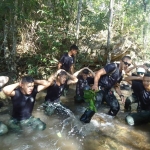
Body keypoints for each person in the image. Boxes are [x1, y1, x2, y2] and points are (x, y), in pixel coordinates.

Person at [80, 56, 132, 123]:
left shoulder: (121, 74)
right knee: (94, 106)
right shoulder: (113, 66)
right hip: (99, 88)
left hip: (107, 91)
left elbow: (116, 86)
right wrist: (95, 84)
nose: (126, 65)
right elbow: (98, 73)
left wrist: (121, 95)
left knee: (116, 107)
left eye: (129, 64)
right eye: (125, 63)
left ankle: (107, 121)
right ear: (121, 61)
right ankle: (83, 121)